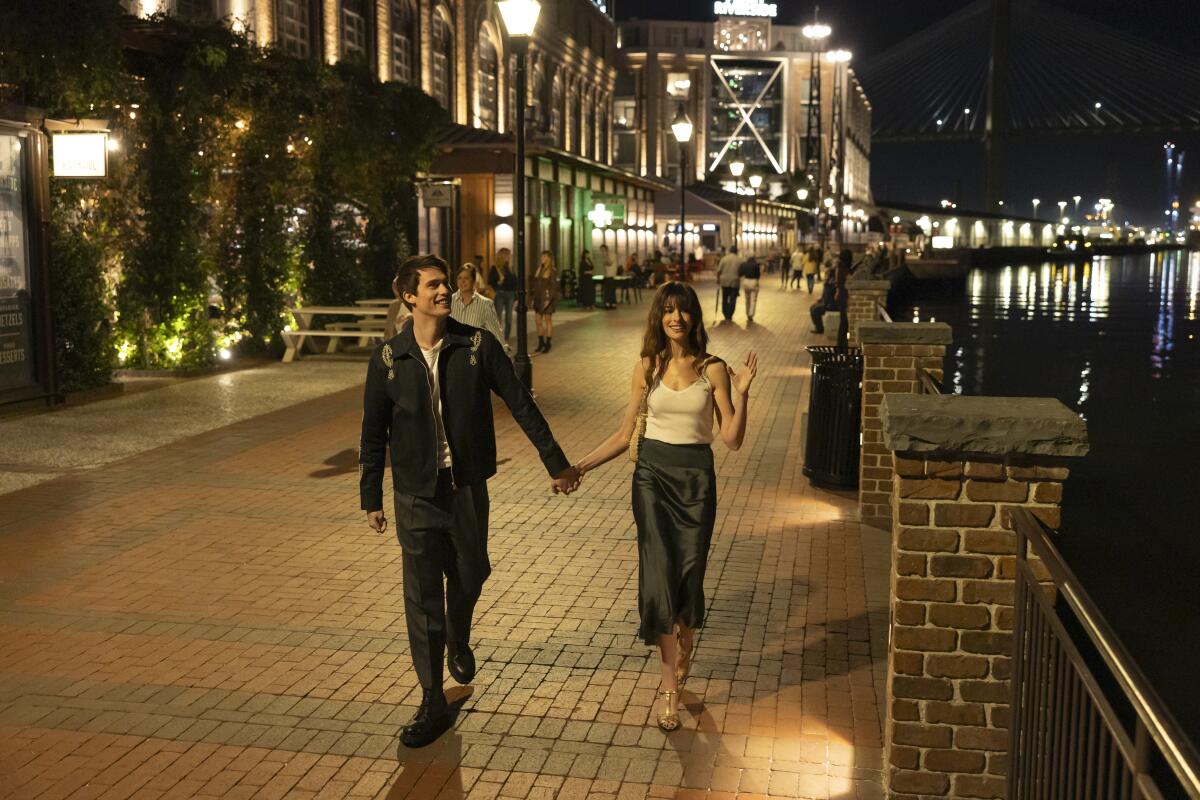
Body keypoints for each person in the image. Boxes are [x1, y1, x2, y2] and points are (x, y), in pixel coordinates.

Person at [360, 253, 581, 748]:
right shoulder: (389, 359)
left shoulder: (475, 345)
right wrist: (370, 494)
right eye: (433, 286)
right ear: (408, 296)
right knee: (420, 598)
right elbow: (373, 432)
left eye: (445, 284)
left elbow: (520, 400)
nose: (443, 291)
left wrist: (556, 463)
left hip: (464, 489)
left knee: (471, 572)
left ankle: (459, 634)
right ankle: (432, 697)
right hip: (414, 494)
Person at [569, 282, 758, 731]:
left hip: (696, 480)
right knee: (658, 575)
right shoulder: (647, 367)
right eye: (668, 310)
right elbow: (622, 435)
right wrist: (579, 466)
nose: (676, 317)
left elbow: (731, 440)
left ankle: (685, 637)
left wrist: (744, 392)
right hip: (651, 478)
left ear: (694, 317)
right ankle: (668, 685)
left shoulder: (713, 369)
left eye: (684, 310)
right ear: (660, 317)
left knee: (689, 573)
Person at [452, 265, 508, 351]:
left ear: (474, 281)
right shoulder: (449, 302)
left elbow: (495, 332)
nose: (462, 281)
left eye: (466, 278)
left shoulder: (485, 304)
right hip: (453, 355)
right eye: (459, 278)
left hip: (475, 356)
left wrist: (504, 351)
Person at [530, 250, 559, 352]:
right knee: (538, 321)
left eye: (544, 256)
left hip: (547, 299)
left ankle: (548, 343)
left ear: (549, 258)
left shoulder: (553, 270)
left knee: (548, 321)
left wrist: (548, 299)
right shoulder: (541, 268)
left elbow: (554, 287)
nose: (541, 258)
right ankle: (541, 342)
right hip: (538, 298)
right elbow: (535, 279)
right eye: (541, 256)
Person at [488, 248, 517, 342]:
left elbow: (515, 281)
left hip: (510, 294)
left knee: (509, 318)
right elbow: (490, 281)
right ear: (502, 256)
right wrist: (498, 283)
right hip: (500, 293)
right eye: (507, 255)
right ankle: (498, 339)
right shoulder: (495, 268)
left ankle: (506, 339)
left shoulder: (510, 268)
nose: (509, 257)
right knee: (498, 317)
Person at [715, 245, 741, 322]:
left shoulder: (724, 259)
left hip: (724, 282)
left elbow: (718, 271)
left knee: (725, 298)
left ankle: (725, 313)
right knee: (733, 299)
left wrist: (718, 279)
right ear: (736, 251)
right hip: (735, 282)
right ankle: (730, 314)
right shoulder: (739, 260)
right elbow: (742, 271)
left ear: (730, 251)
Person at [834, 248, 853, 349]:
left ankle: (841, 345)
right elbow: (846, 281)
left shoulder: (840, 266)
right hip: (843, 296)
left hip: (841, 296)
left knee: (843, 322)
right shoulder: (844, 268)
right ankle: (841, 345)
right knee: (844, 322)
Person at [809, 266, 836, 335]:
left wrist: (823, 303)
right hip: (826, 303)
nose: (824, 276)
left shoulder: (831, 284)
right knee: (812, 307)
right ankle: (818, 326)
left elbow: (830, 297)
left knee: (816, 310)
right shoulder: (827, 283)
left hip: (831, 305)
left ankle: (819, 328)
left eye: (825, 274)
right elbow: (825, 296)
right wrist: (820, 300)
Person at [737, 253, 761, 323]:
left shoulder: (744, 264)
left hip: (746, 281)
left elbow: (740, 273)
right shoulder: (756, 265)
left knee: (747, 299)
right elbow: (758, 275)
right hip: (754, 281)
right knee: (753, 299)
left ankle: (747, 313)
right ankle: (751, 314)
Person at [601, 244, 618, 309]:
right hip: (607, 276)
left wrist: (606, 256)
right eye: (601, 250)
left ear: (606, 249)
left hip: (611, 275)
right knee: (608, 290)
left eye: (603, 250)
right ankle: (609, 303)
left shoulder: (611, 254)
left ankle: (611, 304)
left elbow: (609, 263)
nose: (602, 252)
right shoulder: (605, 256)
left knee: (610, 290)